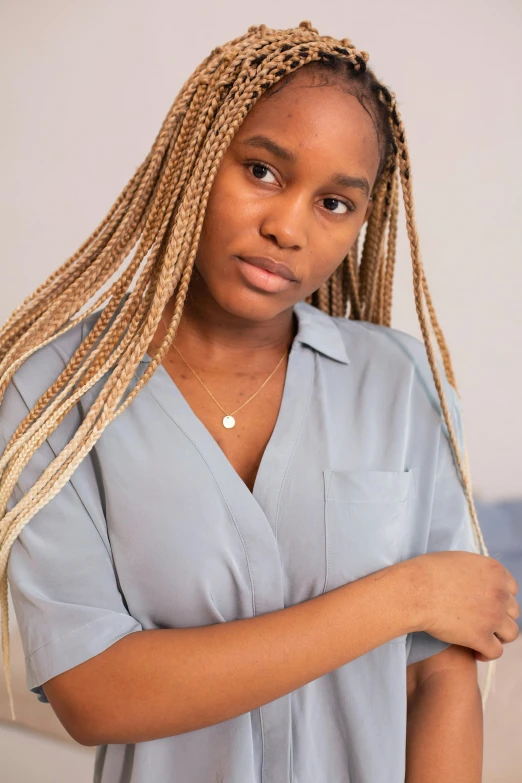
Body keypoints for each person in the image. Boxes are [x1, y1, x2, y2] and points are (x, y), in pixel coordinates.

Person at [0, 19, 519, 783]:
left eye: (335, 203)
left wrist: (432, 613)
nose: (287, 227)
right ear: (196, 159)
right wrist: (405, 595)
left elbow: (441, 671)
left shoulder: (401, 382)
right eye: (264, 171)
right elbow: (95, 692)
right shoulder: (54, 393)